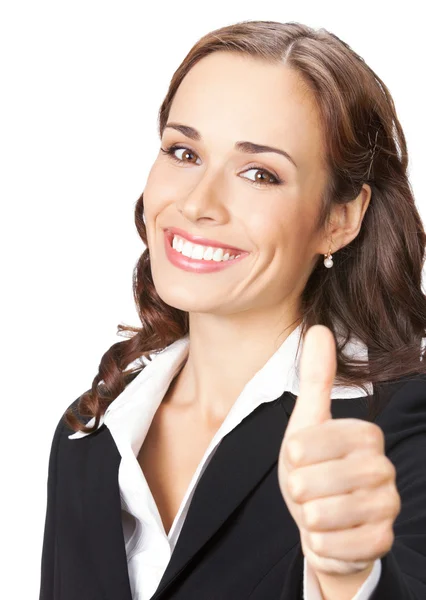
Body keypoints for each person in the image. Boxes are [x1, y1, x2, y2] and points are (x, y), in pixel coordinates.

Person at [39, 20, 426, 600]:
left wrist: (349, 580)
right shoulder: (89, 434)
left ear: (340, 219)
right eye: (183, 151)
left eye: (258, 173)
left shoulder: (399, 425)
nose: (196, 203)